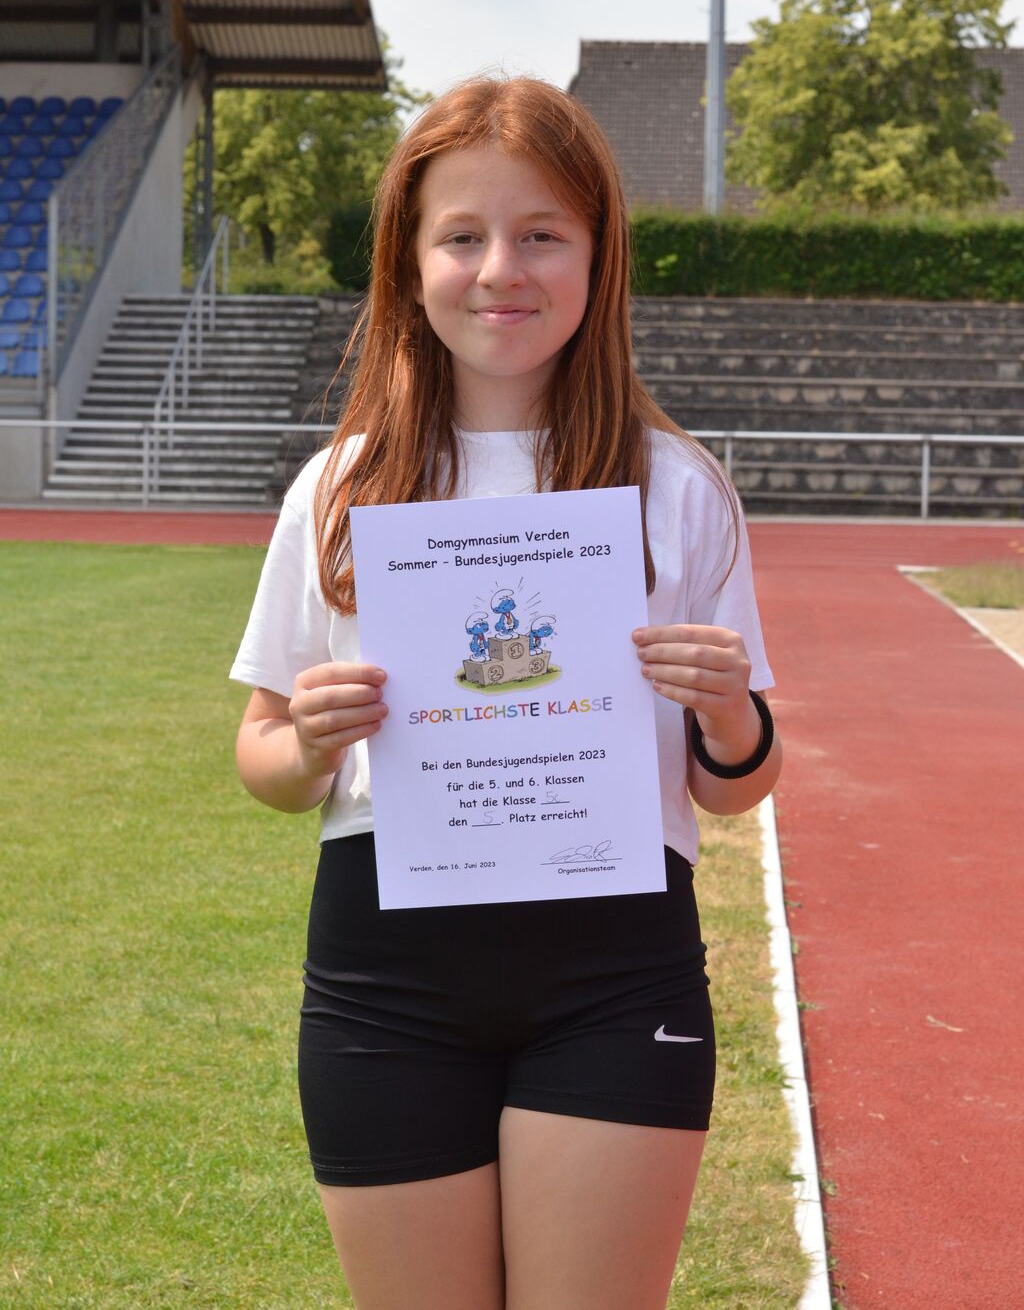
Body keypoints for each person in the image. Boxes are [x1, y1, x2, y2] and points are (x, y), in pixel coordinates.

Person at [229, 75, 782, 1310]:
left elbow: (734, 783)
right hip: (386, 981)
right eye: (461, 236)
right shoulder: (341, 487)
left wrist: (727, 711)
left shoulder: (676, 485)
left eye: (541, 234)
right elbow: (262, 756)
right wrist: (306, 741)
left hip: (614, 975)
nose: (500, 271)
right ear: (407, 261)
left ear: (598, 255)